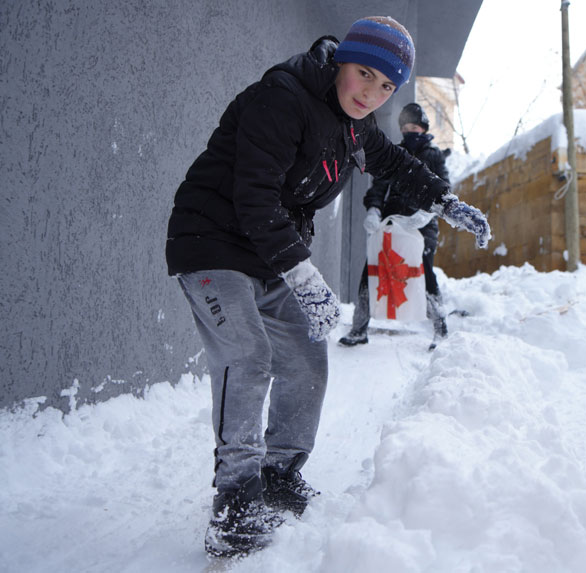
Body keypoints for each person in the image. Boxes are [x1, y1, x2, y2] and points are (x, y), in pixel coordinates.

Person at [165, 16, 491, 558]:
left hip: (268, 253)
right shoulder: (284, 98)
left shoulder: (353, 124)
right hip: (211, 242)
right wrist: (303, 274)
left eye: (386, 86)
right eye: (364, 74)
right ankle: (236, 500)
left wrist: (445, 202)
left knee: (306, 358)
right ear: (342, 61)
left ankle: (278, 473)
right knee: (248, 355)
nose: (372, 93)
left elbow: (394, 163)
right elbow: (253, 200)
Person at [339, 103, 451, 350]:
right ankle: (358, 329)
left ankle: (441, 329)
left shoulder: (433, 156)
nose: (411, 131)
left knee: (423, 272)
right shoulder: (395, 154)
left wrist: (427, 213)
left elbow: (444, 188)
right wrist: (374, 208)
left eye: (415, 126)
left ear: (423, 128)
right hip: (391, 223)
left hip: (422, 226)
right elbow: (379, 186)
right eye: (406, 127)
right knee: (372, 268)